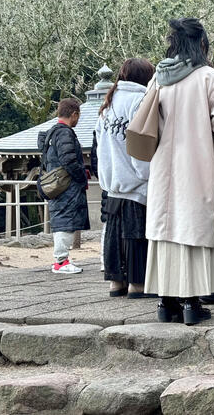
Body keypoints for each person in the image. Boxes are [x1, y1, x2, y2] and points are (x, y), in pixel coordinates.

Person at [144, 18, 214, 325]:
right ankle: (190, 302)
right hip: (198, 168)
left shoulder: (157, 79)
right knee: (194, 229)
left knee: (167, 230)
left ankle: (165, 301)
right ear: (201, 44)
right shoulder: (210, 78)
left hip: (162, 170)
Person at [95, 58, 155, 298]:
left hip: (112, 184)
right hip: (134, 182)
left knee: (114, 234)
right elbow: (140, 143)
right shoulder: (140, 100)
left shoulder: (109, 102)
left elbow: (100, 145)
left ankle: (116, 282)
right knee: (135, 235)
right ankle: (137, 284)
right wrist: (147, 174)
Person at [37, 98, 90, 274]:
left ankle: (62, 259)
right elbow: (69, 159)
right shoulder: (65, 133)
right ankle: (61, 261)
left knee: (62, 219)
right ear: (74, 114)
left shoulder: (52, 132)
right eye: (78, 116)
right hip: (67, 185)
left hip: (58, 185)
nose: (78, 120)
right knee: (65, 222)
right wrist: (82, 176)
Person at [90, 130, 108, 272]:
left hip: (107, 183)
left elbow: (95, 160)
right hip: (113, 183)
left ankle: (105, 260)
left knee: (107, 224)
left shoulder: (100, 128)